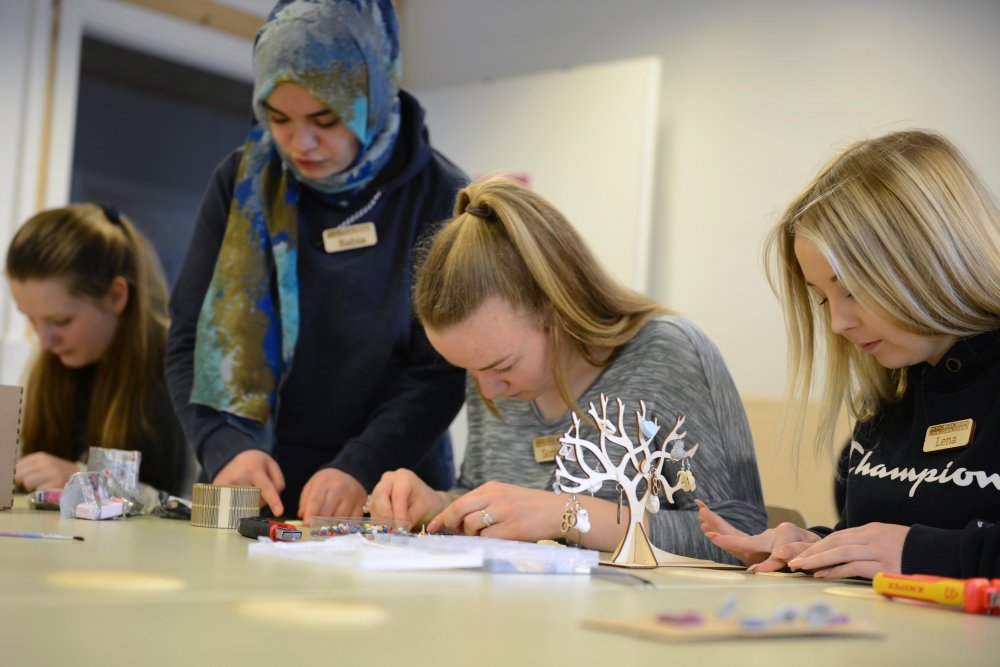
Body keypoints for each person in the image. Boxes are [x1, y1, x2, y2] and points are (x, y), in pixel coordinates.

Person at [165, 0, 466, 520]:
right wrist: (222, 446)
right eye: (278, 118)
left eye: (324, 119)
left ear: (369, 98)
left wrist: (362, 465)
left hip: (387, 492)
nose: (299, 143)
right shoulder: (241, 183)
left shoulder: (440, 196)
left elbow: (440, 371)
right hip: (250, 490)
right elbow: (189, 340)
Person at [367, 176, 766, 561]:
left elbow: (738, 535)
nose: (488, 390)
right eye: (470, 371)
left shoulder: (669, 353)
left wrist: (569, 515)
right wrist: (438, 503)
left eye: (501, 366)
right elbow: (489, 501)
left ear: (556, 310)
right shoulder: (492, 370)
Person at [699, 129, 1000, 579]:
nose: (838, 324)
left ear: (934, 256)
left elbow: (916, 548)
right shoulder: (897, 389)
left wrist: (927, 553)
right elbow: (885, 539)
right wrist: (821, 546)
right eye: (823, 299)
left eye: (854, 291)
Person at [6, 204, 189, 496]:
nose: (43, 341)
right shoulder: (51, 360)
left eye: (60, 320)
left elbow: (188, 501)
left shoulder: (179, 368)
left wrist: (83, 478)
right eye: (30, 318)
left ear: (116, 296)